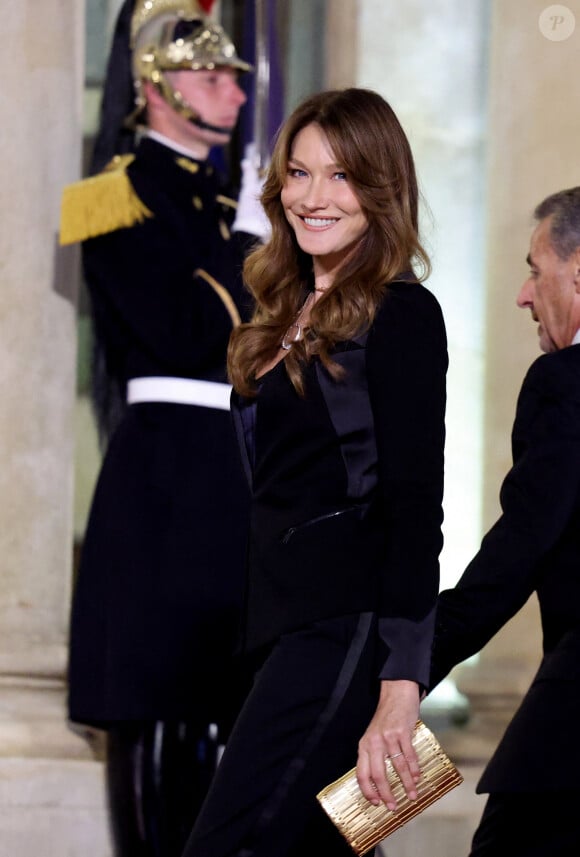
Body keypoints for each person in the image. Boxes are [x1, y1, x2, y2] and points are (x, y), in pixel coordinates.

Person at [180, 87, 448, 857]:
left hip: (344, 631)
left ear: (380, 189)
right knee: (322, 847)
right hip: (275, 628)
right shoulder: (279, 311)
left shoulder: (402, 313)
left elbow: (414, 506)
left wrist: (402, 687)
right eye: (299, 174)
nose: (313, 197)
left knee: (228, 843)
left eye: (341, 176)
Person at [59, 2, 267, 855]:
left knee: (228, 702)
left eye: (231, 79)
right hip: (166, 472)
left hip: (241, 467)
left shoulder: (233, 196)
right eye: (212, 78)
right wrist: (253, 242)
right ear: (158, 87)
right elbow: (183, 330)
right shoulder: (107, 199)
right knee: (154, 695)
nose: (230, 93)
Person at [428, 186, 580, 856]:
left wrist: (408, 665)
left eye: (534, 269)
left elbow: (520, 547)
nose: (523, 295)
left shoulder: (564, 382)